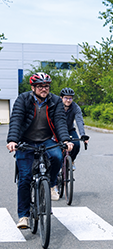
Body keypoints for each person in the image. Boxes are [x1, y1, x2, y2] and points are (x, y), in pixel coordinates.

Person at [6, 72, 73, 228]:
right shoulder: (23, 99)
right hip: (26, 141)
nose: (44, 89)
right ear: (33, 87)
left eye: (47, 86)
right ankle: (23, 216)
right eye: (41, 86)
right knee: (24, 178)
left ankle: (50, 184)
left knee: (57, 156)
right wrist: (13, 140)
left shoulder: (55, 101)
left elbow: (60, 122)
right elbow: (16, 119)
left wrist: (65, 139)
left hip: (45, 140)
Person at [59, 88, 89, 165]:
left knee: (77, 145)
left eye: (70, 98)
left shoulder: (75, 107)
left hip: (70, 130)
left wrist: (82, 134)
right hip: (57, 130)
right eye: (66, 98)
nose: (68, 100)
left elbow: (79, 121)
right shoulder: (57, 107)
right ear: (61, 98)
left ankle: (71, 161)